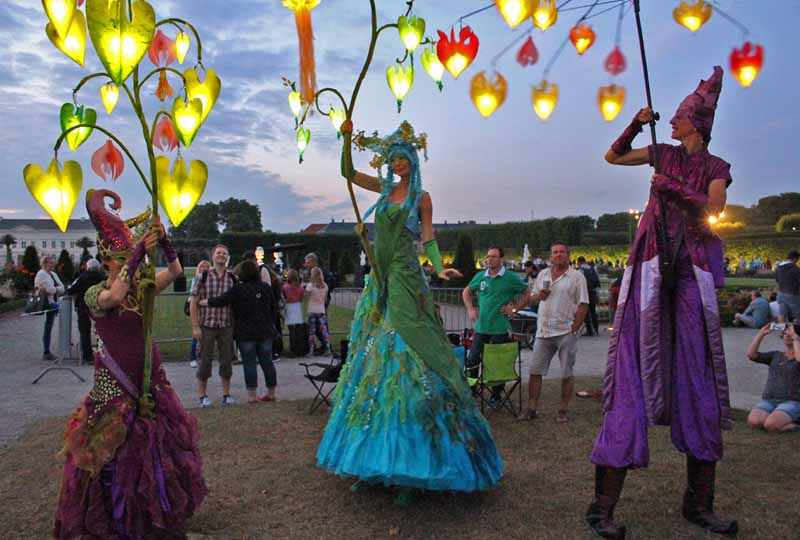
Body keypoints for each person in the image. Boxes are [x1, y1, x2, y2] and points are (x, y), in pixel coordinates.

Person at [317, 120, 503, 502]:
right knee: (375, 361)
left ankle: (415, 467)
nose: (397, 164)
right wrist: (347, 137)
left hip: (405, 278)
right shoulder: (382, 189)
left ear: (413, 162)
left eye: (403, 159)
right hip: (380, 283)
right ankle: (373, 462)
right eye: (393, 159)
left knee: (409, 353)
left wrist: (439, 266)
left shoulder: (422, 197)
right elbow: (346, 173)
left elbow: (429, 238)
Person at [587, 67, 737, 537]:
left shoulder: (716, 169)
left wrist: (673, 189)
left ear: (698, 122)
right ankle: (602, 509)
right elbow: (613, 157)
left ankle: (699, 504)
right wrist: (634, 122)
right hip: (651, 269)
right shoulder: (661, 153)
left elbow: (713, 212)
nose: (670, 122)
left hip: (691, 272)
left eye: (677, 118)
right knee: (633, 372)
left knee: (697, 376)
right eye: (669, 118)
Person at [54, 189, 205, 539]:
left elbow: (177, 269)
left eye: (128, 258)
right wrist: (140, 250)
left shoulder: (144, 288)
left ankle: (156, 514)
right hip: (114, 385)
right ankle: (115, 519)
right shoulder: (95, 294)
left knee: (155, 448)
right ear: (107, 261)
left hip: (151, 379)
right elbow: (116, 296)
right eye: (120, 259)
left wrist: (165, 241)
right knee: (114, 453)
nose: (127, 265)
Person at [504, 243, 588, 423]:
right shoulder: (542, 274)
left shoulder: (576, 277)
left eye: (562, 252)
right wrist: (539, 296)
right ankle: (532, 408)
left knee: (566, 372)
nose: (558, 255)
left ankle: (563, 410)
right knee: (535, 370)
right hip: (543, 330)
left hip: (566, 331)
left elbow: (584, 304)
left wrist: (575, 327)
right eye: (555, 252)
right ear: (551, 256)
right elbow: (532, 297)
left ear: (568, 255)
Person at [201, 259, 278, 403]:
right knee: (267, 362)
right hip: (265, 331)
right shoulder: (266, 288)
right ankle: (271, 392)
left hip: (246, 332)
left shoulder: (239, 289)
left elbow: (223, 300)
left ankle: (252, 395)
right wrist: (270, 323)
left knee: (249, 363)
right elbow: (274, 308)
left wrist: (206, 302)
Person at [462, 246, 527, 407]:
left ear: (501, 259)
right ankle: (471, 390)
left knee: (498, 365)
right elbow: (466, 292)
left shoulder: (510, 278)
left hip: (499, 329)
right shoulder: (481, 276)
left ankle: (496, 395)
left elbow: (527, 294)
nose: (489, 259)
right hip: (481, 328)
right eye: (488, 256)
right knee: (472, 361)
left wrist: (514, 309)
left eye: (493, 256)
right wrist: (470, 309)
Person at [190, 244, 237, 407]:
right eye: (219, 253)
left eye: (224, 253)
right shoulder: (203, 276)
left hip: (226, 324)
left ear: (227, 257)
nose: (221, 255)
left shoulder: (232, 278)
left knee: (226, 360)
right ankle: (203, 396)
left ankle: (226, 394)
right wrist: (195, 326)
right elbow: (193, 302)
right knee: (205, 361)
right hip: (207, 324)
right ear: (213, 256)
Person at [745, 323, 800, 434]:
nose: (787, 335)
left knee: (771, 426)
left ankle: (796, 424)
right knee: (754, 422)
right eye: (785, 333)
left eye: (790, 333)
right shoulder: (776, 355)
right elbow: (751, 355)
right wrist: (761, 334)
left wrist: (796, 338)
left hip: (792, 401)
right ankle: (777, 417)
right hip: (769, 400)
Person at [67, 258, 106, 364]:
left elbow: (70, 290)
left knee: (84, 332)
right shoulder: (102, 278)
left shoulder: (82, 277)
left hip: (83, 307)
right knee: (102, 331)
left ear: (87, 267)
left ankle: (87, 356)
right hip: (99, 307)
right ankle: (103, 353)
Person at [35, 255, 65, 361]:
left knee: (52, 324)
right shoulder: (41, 274)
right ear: (45, 263)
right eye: (51, 263)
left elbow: (62, 288)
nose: (53, 265)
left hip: (54, 301)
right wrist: (56, 289)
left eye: (53, 263)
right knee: (48, 326)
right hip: (48, 303)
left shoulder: (53, 274)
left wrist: (55, 289)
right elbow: (48, 289)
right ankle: (46, 351)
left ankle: (64, 344)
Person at [188, 259, 210, 368]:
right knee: (197, 335)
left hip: (207, 311)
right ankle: (193, 357)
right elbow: (193, 297)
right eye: (202, 267)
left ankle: (202, 357)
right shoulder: (197, 279)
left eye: (206, 267)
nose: (204, 269)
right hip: (198, 311)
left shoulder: (210, 279)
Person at [305, 266, 331, 356]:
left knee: (312, 331)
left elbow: (307, 296)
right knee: (324, 330)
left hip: (312, 309)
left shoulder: (310, 285)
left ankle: (311, 350)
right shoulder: (325, 286)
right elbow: (325, 299)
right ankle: (327, 348)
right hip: (321, 309)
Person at [283, 268, 308, 357]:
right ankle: (300, 349)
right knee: (298, 330)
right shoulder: (300, 288)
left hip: (289, 307)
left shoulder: (286, 287)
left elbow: (285, 297)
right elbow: (301, 298)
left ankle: (293, 349)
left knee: (292, 330)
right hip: (297, 307)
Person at [578, 256, 601, 336]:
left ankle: (589, 331)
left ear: (579, 262)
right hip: (593, 292)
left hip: (585, 293)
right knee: (593, 311)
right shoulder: (593, 268)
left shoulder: (581, 270)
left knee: (586, 312)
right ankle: (596, 329)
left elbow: (579, 282)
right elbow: (597, 279)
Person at [775, 250, 800, 322]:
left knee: (781, 314)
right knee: (798, 314)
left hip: (781, 294)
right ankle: (797, 332)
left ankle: (782, 331)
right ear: (795, 258)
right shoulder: (796, 269)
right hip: (793, 295)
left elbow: (777, 280)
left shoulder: (778, 268)